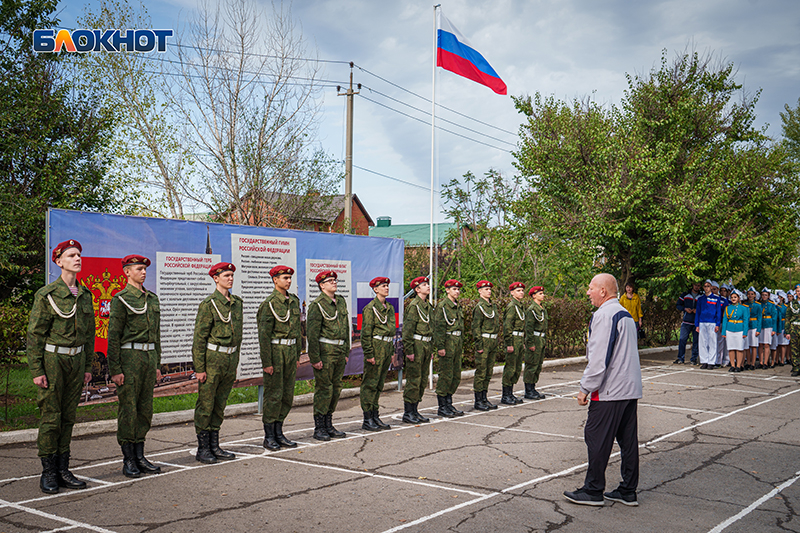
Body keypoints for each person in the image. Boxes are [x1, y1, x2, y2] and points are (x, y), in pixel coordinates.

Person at [564, 274, 642, 507]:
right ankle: (628, 490)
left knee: (596, 437)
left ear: (603, 291)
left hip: (610, 390)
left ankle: (593, 489)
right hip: (628, 388)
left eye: (591, 288)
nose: (588, 292)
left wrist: (585, 387)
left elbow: (599, 358)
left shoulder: (605, 315)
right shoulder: (624, 314)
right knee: (628, 441)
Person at [27, 240, 94, 494]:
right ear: (59, 261)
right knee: (51, 416)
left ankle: (64, 468)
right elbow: (35, 335)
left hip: (76, 362)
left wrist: (88, 366)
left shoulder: (85, 295)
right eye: (71, 255)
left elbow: (88, 336)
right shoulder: (46, 295)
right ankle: (48, 471)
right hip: (53, 361)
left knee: (68, 417)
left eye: (79, 254)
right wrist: (36, 370)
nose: (77, 258)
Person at [108, 255, 162, 477]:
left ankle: (140, 455)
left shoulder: (152, 299)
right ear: (126, 272)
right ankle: (128, 458)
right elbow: (113, 337)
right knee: (129, 409)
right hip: (129, 358)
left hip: (148, 358)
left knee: (145, 409)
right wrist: (116, 369)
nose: (143, 272)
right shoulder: (120, 299)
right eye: (138, 269)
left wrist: (157, 363)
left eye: (144, 269)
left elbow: (156, 335)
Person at [191, 262, 243, 463]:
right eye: (226, 275)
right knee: (206, 403)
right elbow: (199, 339)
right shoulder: (209, 304)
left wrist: (235, 362)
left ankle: (215, 445)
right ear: (216, 278)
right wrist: (200, 368)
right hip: (212, 360)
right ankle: (203, 448)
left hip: (229, 359)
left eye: (232, 275)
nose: (230, 278)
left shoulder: (237, 303)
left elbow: (237, 336)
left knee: (220, 404)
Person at [257, 265, 302, 450]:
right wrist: (267, 362)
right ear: (275, 280)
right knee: (273, 395)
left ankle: (279, 431)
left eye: (290, 278)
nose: (288, 281)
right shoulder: (268, 304)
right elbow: (264, 336)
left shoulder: (294, 302)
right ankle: (269, 436)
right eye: (285, 278)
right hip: (276, 353)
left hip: (291, 353)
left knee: (286, 395)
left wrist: (298, 354)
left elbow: (298, 331)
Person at [307, 270, 350, 440]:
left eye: (335, 280)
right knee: (324, 389)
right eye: (329, 281)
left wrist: (346, 351)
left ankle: (328, 423)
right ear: (321, 285)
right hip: (326, 352)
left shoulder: (340, 301)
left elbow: (346, 328)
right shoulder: (317, 305)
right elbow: (312, 334)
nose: (334, 282)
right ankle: (319, 427)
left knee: (336, 389)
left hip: (339, 351)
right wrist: (315, 358)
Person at [358, 276, 395, 431]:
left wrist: (392, 351)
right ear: (375, 289)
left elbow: (392, 330)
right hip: (376, 346)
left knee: (379, 383)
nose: (386, 288)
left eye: (387, 285)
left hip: (386, 346)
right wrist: (369, 354)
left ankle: (375, 415)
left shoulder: (389, 308)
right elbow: (365, 334)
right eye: (383, 286)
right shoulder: (370, 308)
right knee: (370, 384)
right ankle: (367, 418)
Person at [401, 276, 434, 424]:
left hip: (426, 345)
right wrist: (409, 351)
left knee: (421, 380)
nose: (428, 286)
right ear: (417, 289)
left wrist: (431, 349)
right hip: (416, 345)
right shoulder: (414, 306)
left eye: (427, 284)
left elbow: (431, 329)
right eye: (424, 285)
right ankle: (408, 412)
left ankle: (415, 410)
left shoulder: (428, 306)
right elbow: (407, 331)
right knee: (414, 380)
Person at [433, 279, 465, 417]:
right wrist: (440, 346)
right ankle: (442, 406)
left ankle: (449, 403)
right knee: (445, 374)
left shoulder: (457, 306)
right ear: (447, 290)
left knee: (455, 375)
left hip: (457, 342)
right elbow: (439, 328)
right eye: (454, 289)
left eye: (458, 289)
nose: (457, 291)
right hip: (447, 342)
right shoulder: (443, 306)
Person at [472, 280, 500, 411]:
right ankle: (478, 400)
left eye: (489, 289)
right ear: (480, 291)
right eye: (486, 289)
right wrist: (479, 345)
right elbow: (476, 327)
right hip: (484, 340)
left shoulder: (492, 306)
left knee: (489, 371)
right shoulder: (479, 307)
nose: (489, 291)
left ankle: (484, 397)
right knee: (481, 371)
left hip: (492, 341)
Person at [501, 282, 526, 405]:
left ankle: (510, 393)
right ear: (512, 293)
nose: (521, 292)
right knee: (510, 367)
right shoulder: (512, 306)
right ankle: (506, 395)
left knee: (516, 367)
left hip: (519, 339)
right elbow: (508, 326)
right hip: (513, 339)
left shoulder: (520, 306)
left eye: (522, 290)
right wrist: (509, 343)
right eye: (518, 291)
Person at [523, 286, 548, 400]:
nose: (543, 295)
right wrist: (530, 343)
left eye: (543, 293)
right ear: (534, 296)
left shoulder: (542, 309)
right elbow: (529, 328)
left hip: (541, 339)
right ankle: (528, 390)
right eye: (540, 293)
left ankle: (533, 388)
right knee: (531, 365)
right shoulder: (531, 310)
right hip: (535, 338)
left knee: (538, 365)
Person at [694, 280, 723, 369]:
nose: (706, 288)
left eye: (708, 286)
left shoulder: (716, 298)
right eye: (705, 286)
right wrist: (697, 325)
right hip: (702, 322)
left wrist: (717, 324)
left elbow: (718, 312)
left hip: (712, 322)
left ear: (711, 287)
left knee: (712, 342)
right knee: (703, 342)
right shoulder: (700, 299)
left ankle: (711, 361)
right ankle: (704, 361)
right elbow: (698, 312)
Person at [721, 289, 749, 372]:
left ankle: (738, 365)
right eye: (732, 297)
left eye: (735, 297)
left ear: (739, 298)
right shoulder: (728, 308)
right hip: (729, 329)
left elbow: (746, 320)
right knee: (731, 348)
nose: (733, 299)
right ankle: (732, 365)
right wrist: (724, 332)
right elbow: (725, 320)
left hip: (739, 329)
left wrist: (745, 332)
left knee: (739, 348)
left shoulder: (743, 308)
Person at [675, 282, 701, 364]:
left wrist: (698, 310)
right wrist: (685, 309)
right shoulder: (685, 295)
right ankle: (680, 358)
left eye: (699, 285)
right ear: (692, 285)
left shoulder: (701, 296)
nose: (697, 287)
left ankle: (694, 358)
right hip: (686, 321)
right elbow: (678, 305)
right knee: (682, 339)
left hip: (696, 322)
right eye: (695, 285)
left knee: (696, 341)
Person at [744, 287, 762, 371]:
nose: (750, 295)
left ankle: (753, 363)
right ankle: (748, 362)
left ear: (755, 295)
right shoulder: (745, 305)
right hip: (747, 326)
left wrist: (758, 329)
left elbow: (759, 318)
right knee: (747, 346)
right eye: (749, 294)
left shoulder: (758, 305)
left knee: (753, 346)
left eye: (752, 294)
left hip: (754, 325)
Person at [759, 288, 777, 369]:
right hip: (760, 325)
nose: (764, 296)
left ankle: (766, 362)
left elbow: (774, 317)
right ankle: (761, 362)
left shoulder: (771, 304)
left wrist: (774, 329)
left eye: (765, 295)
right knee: (760, 344)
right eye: (763, 295)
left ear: (768, 296)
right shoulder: (759, 304)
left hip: (769, 325)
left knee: (766, 344)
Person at [785, 283, 800, 377]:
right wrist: (787, 331)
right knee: (795, 349)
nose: (799, 293)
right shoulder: (791, 304)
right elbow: (787, 318)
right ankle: (796, 368)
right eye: (798, 291)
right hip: (794, 328)